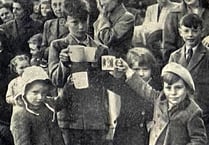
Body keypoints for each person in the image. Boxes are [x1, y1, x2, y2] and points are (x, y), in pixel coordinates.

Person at [48, 0, 118, 144]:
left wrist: (101, 68)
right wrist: (64, 64)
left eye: (84, 21)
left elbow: (110, 83)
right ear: (65, 22)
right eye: (74, 22)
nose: (81, 27)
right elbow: (56, 80)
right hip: (69, 118)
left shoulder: (100, 49)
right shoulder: (58, 46)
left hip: (95, 117)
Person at [118, 61, 207, 145]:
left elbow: (199, 140)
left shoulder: (193, 112)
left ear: (187, 89)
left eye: (178, 87)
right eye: (168, 88)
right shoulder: (160, 99)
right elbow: (144, 88)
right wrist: (127, 70)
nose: (173, 92)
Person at [169, 13, 209, 141]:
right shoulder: (174, 57)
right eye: (186, 31)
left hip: (204, 115)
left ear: (202, 31)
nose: (190, 35)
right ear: (180, 32)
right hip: (181, 115)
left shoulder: (207, 56)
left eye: (194, 31)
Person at [112, 47, 161, 145]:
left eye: (145, 69)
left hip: (147, 136)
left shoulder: (157, 87)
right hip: (126, 135)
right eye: (136, 69)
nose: (141, 73)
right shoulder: (125, 84)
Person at [10, 66, 65, 145]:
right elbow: (22, 142)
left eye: (44, 93)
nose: (40, 97)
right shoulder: (20, 115)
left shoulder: (48, 108)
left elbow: (57, 138)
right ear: (24, 92)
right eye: (35, 92)